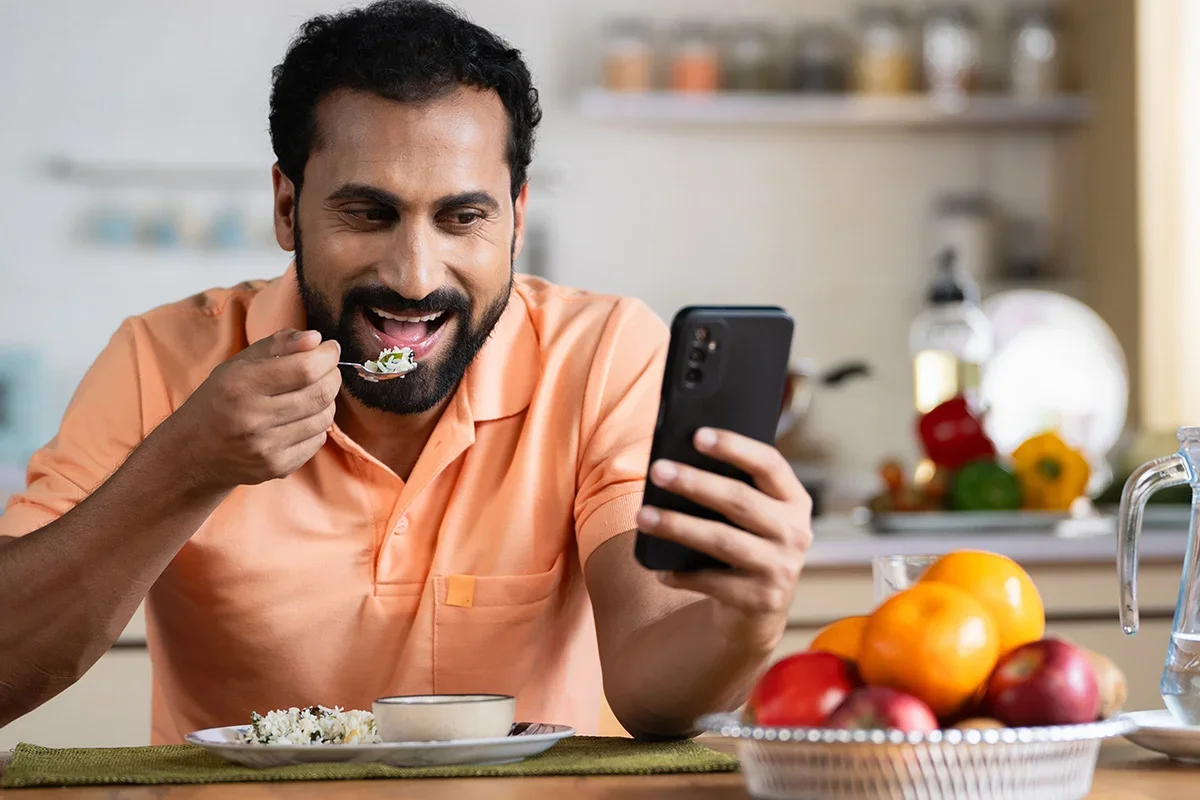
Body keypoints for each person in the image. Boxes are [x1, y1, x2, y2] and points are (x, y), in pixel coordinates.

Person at [0, 0, 811, 743]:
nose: (417, 275)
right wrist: (183, 466)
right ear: (288, 207)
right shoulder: (159, 359)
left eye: (462, 218)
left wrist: (745, 621)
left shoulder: (602, 355)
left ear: (517, 217)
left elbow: (651, 690)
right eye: (368, 213)